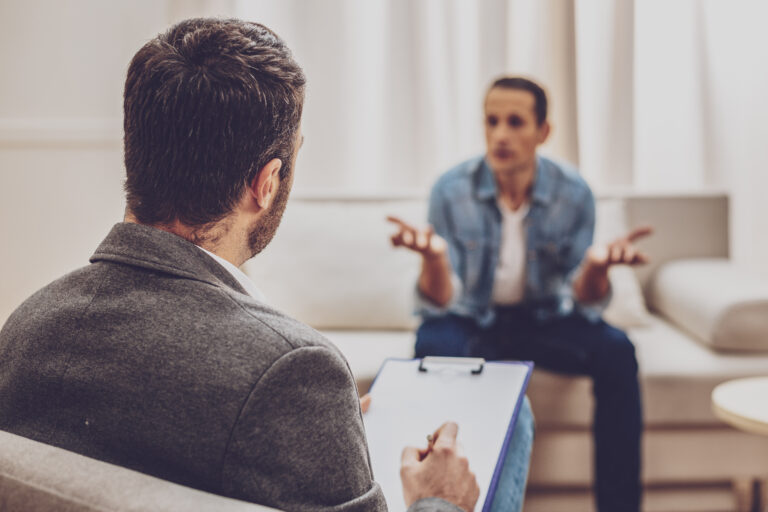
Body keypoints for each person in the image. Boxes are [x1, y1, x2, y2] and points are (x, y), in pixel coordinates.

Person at [0, 18, 536, 512]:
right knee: (515, 426)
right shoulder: (294, 368)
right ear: (267, 182)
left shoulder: (27, 326)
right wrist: (441, 502)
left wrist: (318, 433)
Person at [388, 76, 650, 512]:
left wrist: (597, 268)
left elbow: (584, 302)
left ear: (543, 131)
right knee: (432, 343)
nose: (500, 135)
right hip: (472, 320)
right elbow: (440, 301)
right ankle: (437, 504)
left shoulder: (574, 194)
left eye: (515, 122)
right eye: (491, 121)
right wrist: (434, 259)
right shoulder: (450, 190)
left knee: (618, 350)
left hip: (543, 320)